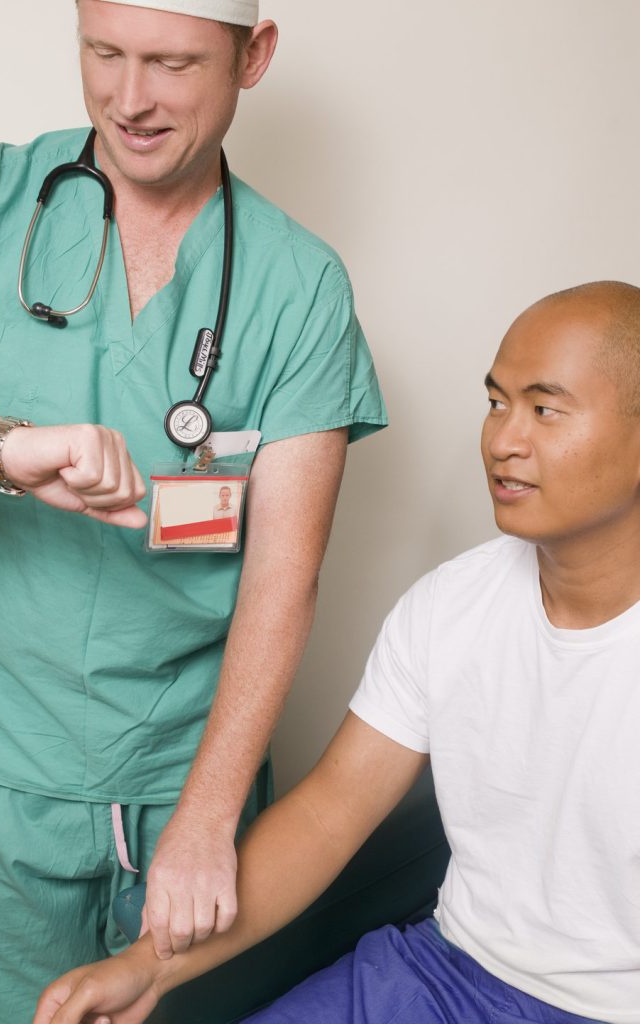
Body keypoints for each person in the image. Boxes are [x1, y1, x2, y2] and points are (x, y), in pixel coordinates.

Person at [35, 280, 640, 1024]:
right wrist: (147, 971)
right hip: (439, 971)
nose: (503, 440)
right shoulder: (450, 606)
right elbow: (330, 813)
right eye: (496, 402)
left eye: (545, 410)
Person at [0, 1, 387, 1020]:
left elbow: (283, 576)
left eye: (172, 63)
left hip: (189, 774)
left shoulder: (298, 287)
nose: (128, 98)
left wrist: (204, 819)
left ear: (253, 56)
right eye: (103, 53)